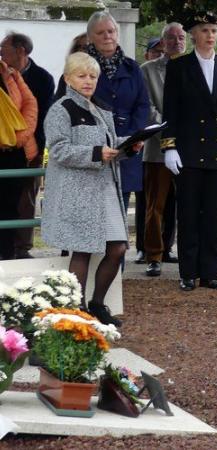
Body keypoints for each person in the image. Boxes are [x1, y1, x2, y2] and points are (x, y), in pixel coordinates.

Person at [42, 52, 143, 327]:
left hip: (104, 188)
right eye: (81, 76)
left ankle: (97, 304)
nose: (88, 81)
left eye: (92, 76)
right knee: (83, 251)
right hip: (78, 194)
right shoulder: (60, 109)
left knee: (118, 248)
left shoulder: (99, 108)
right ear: (67, 78)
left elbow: (108, 148)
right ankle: (77, 311)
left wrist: (129, 146)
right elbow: (59, 150)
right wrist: (97, 153)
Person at [161, 11, 217, 292]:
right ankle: (188, 272)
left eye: (214, 30)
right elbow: (170, 109)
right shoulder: (179, 66)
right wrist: (169, 146)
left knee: (213, 213)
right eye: (205, 30)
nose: (210, 36)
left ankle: (210, 272)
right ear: (194, 35)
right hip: (188, 150)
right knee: (188, 213)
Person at [85, 11, 150, 264]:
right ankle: (85, 279)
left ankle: (114, 281)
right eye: (101, 33)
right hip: (94, 151)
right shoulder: (80, 67)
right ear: (91, 37)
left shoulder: (132, 68)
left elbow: (142, 105)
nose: (107, 36)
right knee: (90, 222)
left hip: (125, 153)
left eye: (111, 31)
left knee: (117, 221)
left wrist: (133, 135)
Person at [0, 32, 54, 260]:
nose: (1, 53)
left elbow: (38, 116)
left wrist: (20, 139)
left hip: (27, 149)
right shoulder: (3, 73)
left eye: (5, 49)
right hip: (3, 147)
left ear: (21, 51)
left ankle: (19, 250)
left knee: (23, 201)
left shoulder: (43, 78)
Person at [140, 23, 185, 277]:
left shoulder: (194, 67)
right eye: (171, 37)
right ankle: (153, 255)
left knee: (187, 204)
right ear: (162, 42)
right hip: (157, 148)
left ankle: (184, 251)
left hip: (189, 149)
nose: (176, 41)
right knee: (154, 206)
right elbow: (148, 110)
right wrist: (170, 133)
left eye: (181, 38)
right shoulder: (147, 71)